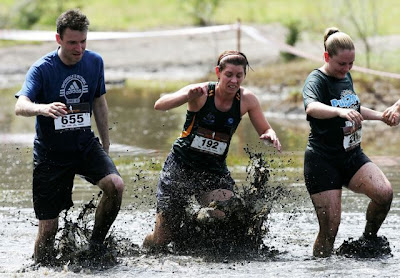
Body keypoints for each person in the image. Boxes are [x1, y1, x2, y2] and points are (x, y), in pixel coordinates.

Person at [14, 9, 124, 264]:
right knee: (48, 228)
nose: (79, 48)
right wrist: (42, 108)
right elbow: (21, 106)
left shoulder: (95, 62)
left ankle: (95, 247)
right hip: (51, 154)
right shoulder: (42, 69)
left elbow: (99, 102)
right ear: (59, 39)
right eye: (73, 42)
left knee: (115, 186)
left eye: (83, 41)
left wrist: (105, 144)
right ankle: (41, 267)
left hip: (84, 145)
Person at [143, 50, 281, 248]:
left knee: (225, 212)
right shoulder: (201, 92)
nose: (234, 80)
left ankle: (194, 237)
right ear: (218, 72)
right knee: (163, 238)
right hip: (180, 167)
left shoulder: (247, 100)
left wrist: (270, 134)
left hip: (213, 170)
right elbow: (159, 105)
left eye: (239, 76)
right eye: (229, 75)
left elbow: (265, 128)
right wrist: (186, 97)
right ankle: (148, 246)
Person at [302, 27, 394, 257]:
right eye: (341, 64)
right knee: (330, 229)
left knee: (384, 194)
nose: (346, 69)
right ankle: (321, 269)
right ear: (327, 57)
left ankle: (368, 239)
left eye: (351, 64)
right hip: (323, 161)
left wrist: (380, 116)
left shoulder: (346, 76)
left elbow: (353, 108)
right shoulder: (316, 79)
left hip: (352, 156)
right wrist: (338, 112)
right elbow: (312, 107)